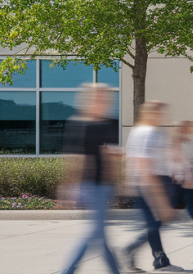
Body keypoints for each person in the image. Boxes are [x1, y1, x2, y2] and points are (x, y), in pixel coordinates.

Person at [60, 83, 121, 274]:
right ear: (89, 99)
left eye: (106, 99)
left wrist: (117, 182)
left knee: (99, 236)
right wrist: (69, 187)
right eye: (99, 98)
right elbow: (74, 159)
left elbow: (110, 155)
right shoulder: (78, 123)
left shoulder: (108, 123)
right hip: (89, 186)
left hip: (104, 187)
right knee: (97, 234)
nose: (104, 102)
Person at [118, 101, 183, 273]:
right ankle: (131, 250)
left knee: (154, 223)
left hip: (147, 182)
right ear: (150, 113)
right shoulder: (148, 133)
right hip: (150, 182)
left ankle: (160, 260)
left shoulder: (142, 131)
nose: (163, 116)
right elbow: (144, 164)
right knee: (155, 223)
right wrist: (160, 199)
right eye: (160, 113)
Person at [170, 121, 193, 225]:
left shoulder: (183, 144)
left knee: (189, 199)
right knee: (190, 197)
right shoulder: (187, 144)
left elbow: (181, 161)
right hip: (186, 176)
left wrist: (183, 176)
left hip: (185, 176)